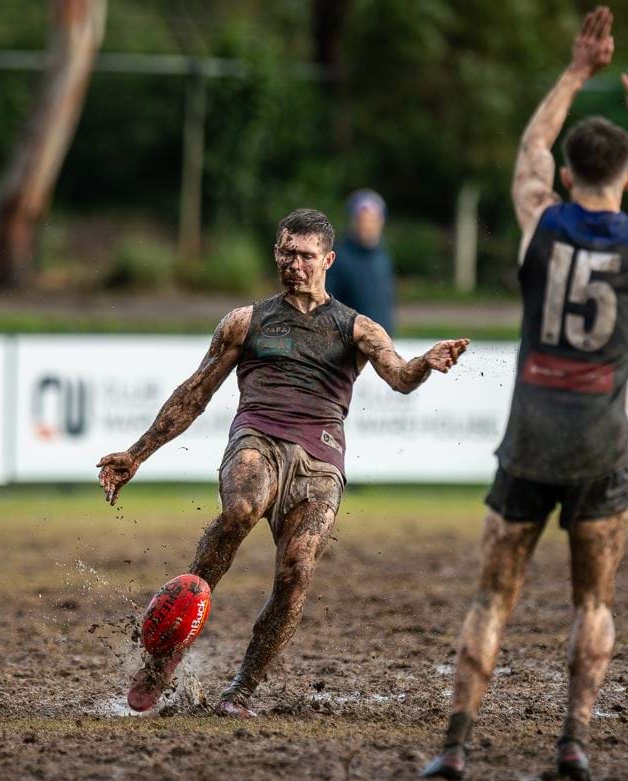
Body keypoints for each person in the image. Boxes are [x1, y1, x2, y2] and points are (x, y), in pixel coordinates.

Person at [421, 7, 628, 781]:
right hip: (601, 447)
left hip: (529, 441)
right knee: (593, 603)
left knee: (492, 597)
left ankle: (456, 744)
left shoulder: (541, 224)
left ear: (569, 178)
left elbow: (529, 150)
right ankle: (573, 740)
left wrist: (576, 71)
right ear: (627, 179)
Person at [96, 209, 469, 717]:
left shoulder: (357, 328)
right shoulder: (245, 322)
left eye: (306, 256)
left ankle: (240, 692)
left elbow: (400, 377)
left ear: (328, 260)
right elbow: (194, 393)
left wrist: (425, 362)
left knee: (297, 569)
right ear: (276, 253)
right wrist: (137, 453)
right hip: (258, 439)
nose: (295, 264)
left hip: (320, 461)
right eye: (287, 253)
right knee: (242, 508)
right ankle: (165, 656)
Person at [325, 189, 396, 335]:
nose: (366, 225)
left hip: (383, 339)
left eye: (371, 220)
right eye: (361, 220)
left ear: (381, 221)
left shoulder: (383, 256)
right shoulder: (337, 258)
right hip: (349, 339)